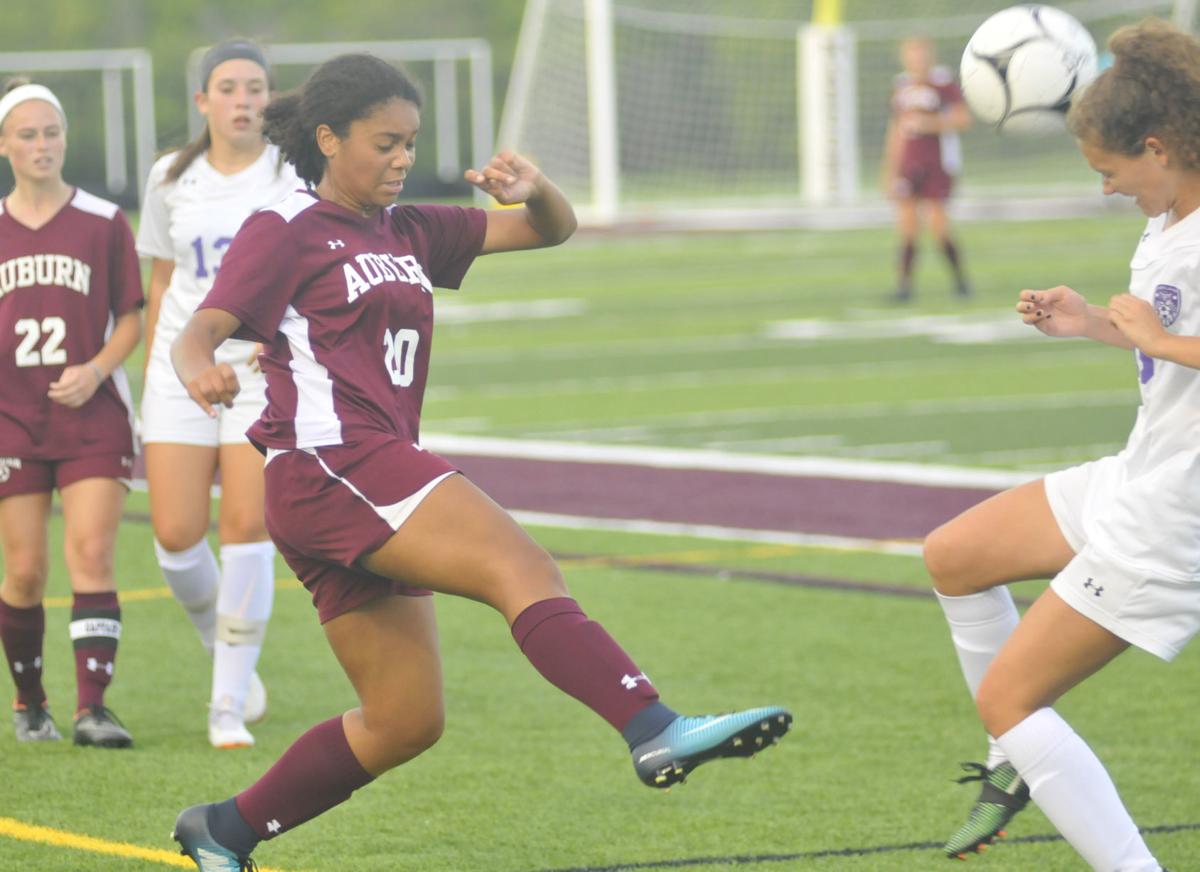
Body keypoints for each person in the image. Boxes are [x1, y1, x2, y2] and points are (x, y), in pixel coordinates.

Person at [163, 53, 791, 869]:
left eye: (410, 143)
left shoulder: (410, 229)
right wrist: (197, 370)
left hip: (354, 478)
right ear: (328, 138)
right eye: (384, 143)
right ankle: (655, 727)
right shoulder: (285, 227)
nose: (401, 159)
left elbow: (548, 229)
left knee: (404, 720)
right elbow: (198, 329)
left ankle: (226, 829)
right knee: (518, 563)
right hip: (333, 463)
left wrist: (535, 188)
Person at [924, 19, 1199, 870]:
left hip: (1177, 514)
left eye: (1111, 173)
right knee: (953, 555)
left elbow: (1175, 341)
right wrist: (1095, 326)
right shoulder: (1172, 216)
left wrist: (1161, 343)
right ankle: (1019, 760)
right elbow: (1170, 339)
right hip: (1144, 471)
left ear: (1157, 147)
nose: (1110, 190)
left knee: (1009, 695)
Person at [138, 39, 298, 749]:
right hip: (183, 368)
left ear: (269, 97)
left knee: (246, 526)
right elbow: (163, 280)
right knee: (175, 536)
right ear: (202, 101)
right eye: (228, 88)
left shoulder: (291, 175)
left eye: (255, 87)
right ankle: (220, 641)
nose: (244, 100)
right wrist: (154, 369)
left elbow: (308, 267)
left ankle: (227, 703)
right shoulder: (170, 177)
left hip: (258, 369)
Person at [0, 78, 142, 748]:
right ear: (4, 145)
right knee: (24, 570)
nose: (42, 145)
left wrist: (96, 369)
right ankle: (31, 701)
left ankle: (92, 709)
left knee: (91, 553)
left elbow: (132, 318)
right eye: (27, 134)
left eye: (51, 132)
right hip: (11, 418)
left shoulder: (104, 221)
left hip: (91, 417)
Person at [881, 35, 972, 302]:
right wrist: (890, 170)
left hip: (937, 163)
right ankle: (904, 287)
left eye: (921, 53)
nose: (916, 60)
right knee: (907, 227)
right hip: (909, 164)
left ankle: (961, 282)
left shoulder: (942, 84)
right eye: (911, 54)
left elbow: (962, 119)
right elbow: (897, 130)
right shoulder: (901, 86)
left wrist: (929, 123)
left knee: (937, 224)